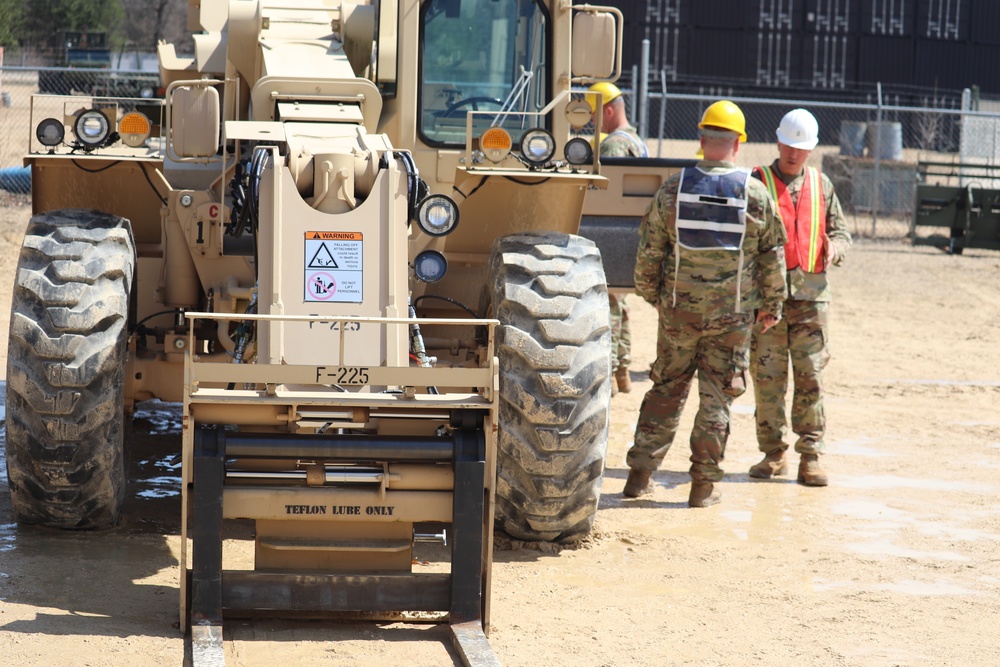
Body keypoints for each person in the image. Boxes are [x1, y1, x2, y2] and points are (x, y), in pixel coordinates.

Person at [623, 100, 787, 508]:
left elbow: (649, 252)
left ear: (701, 140)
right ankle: (702, 487)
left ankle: (639, 476)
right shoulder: (754, 193)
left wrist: (655, 297)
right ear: (738, 143)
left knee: (666, 390)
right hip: (732, 319)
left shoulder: (674, 187)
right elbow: (772, 256)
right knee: (717, 398)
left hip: (679, 313)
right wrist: (772, 306)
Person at [747, 108, 852, 486]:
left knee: (811, 378)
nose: (793, 154)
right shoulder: (756, 183)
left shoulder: (822, 186)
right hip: (769, 302)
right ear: (778, 143)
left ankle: (811, 456)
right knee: (768, 378)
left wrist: (834, 250)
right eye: (789, 146)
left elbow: (842, 234)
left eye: (801, 148)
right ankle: (773, 455)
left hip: (811, 301)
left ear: (810, 150)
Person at [587, 82, 650, 395]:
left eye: (594, 114)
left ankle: (610, 375)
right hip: (630, 234)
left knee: (607, 305)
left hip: (610, 234)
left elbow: (604, 199)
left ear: (607, 110)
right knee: (620, 305)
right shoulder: (636, 141)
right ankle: (622, 371)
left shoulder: (613, 146)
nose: (592, 121)